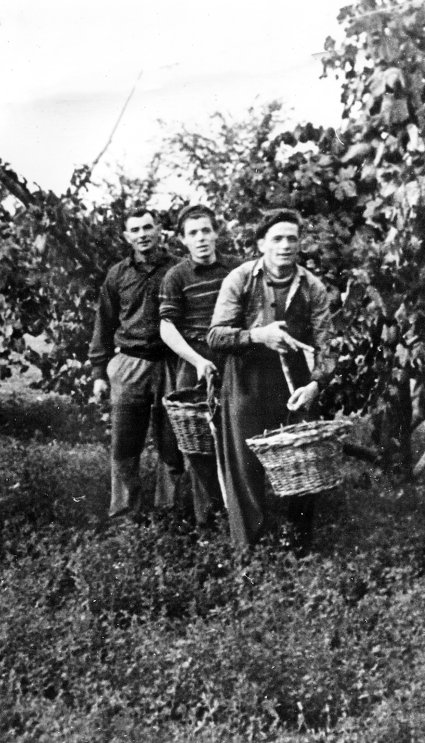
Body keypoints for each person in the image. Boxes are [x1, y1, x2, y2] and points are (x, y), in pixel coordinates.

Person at [208, 209, 334, 550]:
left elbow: (327, 345)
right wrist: (258, 335)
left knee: (302, 458)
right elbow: (216, 335)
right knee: (244, 464)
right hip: (246, 379)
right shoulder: (240, 279)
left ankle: (298, 545)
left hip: (294, 383)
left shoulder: (312, 287)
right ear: (262, 244)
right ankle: (249, 549)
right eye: (277, 238)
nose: (285, 245)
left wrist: (316, 384)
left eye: (292, 238)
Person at [88, 208, 184, 520]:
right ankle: (126, 512)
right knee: (125, 440)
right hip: (131, 364)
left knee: (172, 438)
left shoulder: (178, 269)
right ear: (127, 236)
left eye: (147, 227)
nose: (142, 234)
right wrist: (99, 372)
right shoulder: (118, 274)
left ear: (159, 230)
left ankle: (169, 510)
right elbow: (104, 322)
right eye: (135, 230)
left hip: (171, 363)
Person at [158, 204, 240, 530]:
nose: (201, 238)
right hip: (195, 361)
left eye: (206, 230)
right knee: (198, 444)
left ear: (216, 233)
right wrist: (198, 361)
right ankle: (208, 524)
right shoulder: (176, 276)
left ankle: (239, 519)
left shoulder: (237, 269)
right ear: (183, 240)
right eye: (193, 233)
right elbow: (167, 327)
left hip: (233, 358)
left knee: (237, 436)